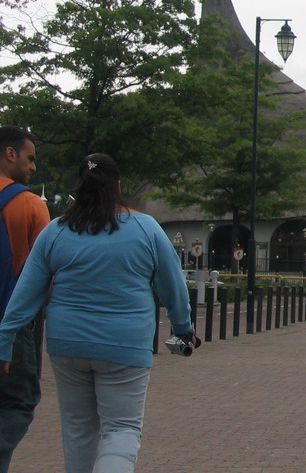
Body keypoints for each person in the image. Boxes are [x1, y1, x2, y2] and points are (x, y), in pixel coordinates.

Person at [0, 153, 195, 473]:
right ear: (118, 185)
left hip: (67, 344)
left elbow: (25, 294)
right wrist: (182, 327)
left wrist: (5, 340)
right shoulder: (146, 228)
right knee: (121, 429)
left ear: (80, 186)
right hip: (125, 345)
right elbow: (172, 286)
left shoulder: (57, 231)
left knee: (78, 431)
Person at [0, 127, 49, 472]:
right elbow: (46, 269)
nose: (33, 167)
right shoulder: (31, 204)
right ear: (10, 154)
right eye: (30, 158)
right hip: (11, 322)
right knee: (19, 400)